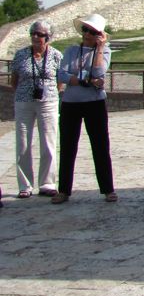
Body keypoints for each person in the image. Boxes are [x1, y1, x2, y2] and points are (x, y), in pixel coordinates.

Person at [53, 13, 116, 204]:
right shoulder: (71, 50)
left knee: (100, 145)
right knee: (67, 146)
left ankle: (108, 189)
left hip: (94, 103)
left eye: (92, 31)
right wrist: (84, 81)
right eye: (85, 29)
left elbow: (99, 71)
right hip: (71, 103)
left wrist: (100, 47)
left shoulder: (105, 51)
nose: (87, 34)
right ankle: (64, 190)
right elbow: (62, 74)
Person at [10, 19, 62, 198]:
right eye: (33, 33)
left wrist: (50, 93)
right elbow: (14, 80)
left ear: (48, 37)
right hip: (24, 102)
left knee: (48, 142)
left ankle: (47, 183)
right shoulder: (21, 55)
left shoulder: (55, 55)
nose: (35, 37)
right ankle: (25, 185)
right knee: (23, 143)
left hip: (48, 102)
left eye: (40, 34)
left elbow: (60, 81)